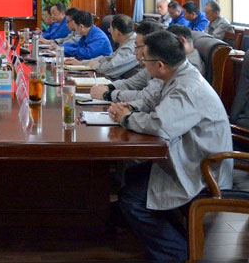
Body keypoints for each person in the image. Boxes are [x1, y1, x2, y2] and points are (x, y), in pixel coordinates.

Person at [109, 31, 233, 261]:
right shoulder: (177, 74)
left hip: (203, 168)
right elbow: (154, 104)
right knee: (133, 173)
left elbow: (160, 125)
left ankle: (175, 253)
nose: (141, 61)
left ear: (159, 65)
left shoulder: (187, 87)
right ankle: (158, 232)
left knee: (132, 199)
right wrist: (130, 108)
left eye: (144, 58)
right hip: (189, 154)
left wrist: (126, 119)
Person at [90, 20, 163, 105]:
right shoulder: (149, 67)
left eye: (137, 47)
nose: (134, 52)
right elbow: (131, 83)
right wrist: (108, 87)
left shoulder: (162, 68)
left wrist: (107, 94)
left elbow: (146, 97)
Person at [85, 14, 138, 79]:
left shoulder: (131, 46)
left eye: (110, 30)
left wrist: (95, 67)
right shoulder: (127, 41)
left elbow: (111, 68)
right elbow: (109, 58)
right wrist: (83, 63)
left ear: (116, 31)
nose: (110, 33)